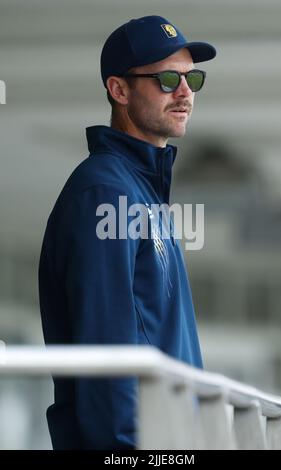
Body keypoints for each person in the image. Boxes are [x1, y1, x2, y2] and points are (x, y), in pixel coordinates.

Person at [38, 15, 216, 450]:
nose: (185, 92)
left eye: (192, 77)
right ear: (119, 90)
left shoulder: (142, 193)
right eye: (168, 78)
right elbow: (107, 351)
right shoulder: (105, 193)